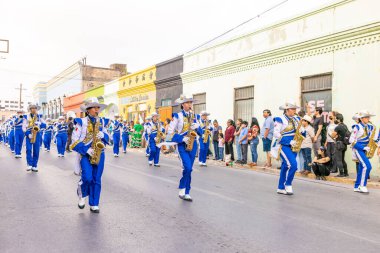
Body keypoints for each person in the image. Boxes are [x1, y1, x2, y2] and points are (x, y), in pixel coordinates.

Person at [71, 97, 109, 213]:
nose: (97, 110)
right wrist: (85, 150)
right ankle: (82, 195)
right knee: (87, 177)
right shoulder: (81, 122)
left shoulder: (102, 122)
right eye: (95, 107)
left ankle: (94, 204)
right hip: (86, 153)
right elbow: (74, 140)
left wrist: (104, 135)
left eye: (98, 107)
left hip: (99, 153)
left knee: (97, 179)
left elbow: (109, 139)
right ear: (88, 110)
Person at [167, 95, 200, 201]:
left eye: (191, 102)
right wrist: (181, 139)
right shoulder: (177, 116)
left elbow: (202, 133)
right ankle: (182, 188)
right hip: (182, 145)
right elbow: (169, 133)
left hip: (193, 144)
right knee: (188, 168)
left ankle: (186, 192)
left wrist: (198, 127)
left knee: (189, 169)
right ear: (182, 104)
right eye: (187, 102)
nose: (189, 104)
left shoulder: (195, 116)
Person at [272, 100, 305, 195]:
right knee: (293, 165)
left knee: (286, 166)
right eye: (293, 109)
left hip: (294, 145)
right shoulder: (280, 119)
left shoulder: (296, 119)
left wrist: (302, 131)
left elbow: (300, 130)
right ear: (287, 110)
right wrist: (288, 141)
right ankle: (288, 184)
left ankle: (280, 187)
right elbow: (276, 133)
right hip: (283, 145)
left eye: (295, 109)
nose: (295, 111)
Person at [349, 110, 377, 194]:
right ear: (361, 118)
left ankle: (357, 186)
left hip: (365, 149)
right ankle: (362, 185)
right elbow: (351, 140)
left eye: (369, 117)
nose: (368, 118)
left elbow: (374, 136)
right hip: (358, 149)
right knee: (367, 166)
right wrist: (362, 147)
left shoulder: (369, 126)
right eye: (366, 117)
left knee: (361, 168)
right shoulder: (356, 127)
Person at [23, 104, 45, 172]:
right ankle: (29, 164)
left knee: (36, 150)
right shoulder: (26, 116)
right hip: (29, 133)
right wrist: (27, 134)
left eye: (35, 108)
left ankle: (34, 166)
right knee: (28, 149)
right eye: (32, 108)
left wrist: (39, 124)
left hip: (37, 134)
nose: (34, 109)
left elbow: (45, 125)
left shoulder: (39, 116)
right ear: (30, 109)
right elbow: (23, 127)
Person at [331, 113, 349, 177]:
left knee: (338, 160)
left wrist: (333, 134)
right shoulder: (345, 126)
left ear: (338, 119)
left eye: (335, 118)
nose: (334, 120)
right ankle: (346, 172)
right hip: (344, 144)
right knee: (342, 159)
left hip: (339, 144)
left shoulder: (337, 127)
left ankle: (341, 173)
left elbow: (333, 135)